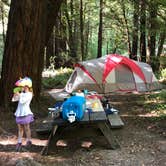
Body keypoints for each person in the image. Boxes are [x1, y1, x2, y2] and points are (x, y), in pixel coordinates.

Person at [12, 84, 34, 151]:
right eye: (22, 86)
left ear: (27, 87)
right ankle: (19, 142)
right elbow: (14, 100)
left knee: (27, 128)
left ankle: (29, 141)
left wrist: (19, 94)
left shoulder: (30, 94)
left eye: (23, 86)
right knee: (20, 129)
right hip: (19, 112)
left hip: (26, 112)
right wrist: (15, 94)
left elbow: (22, 101)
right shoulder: (22, 93)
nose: (22, 87)